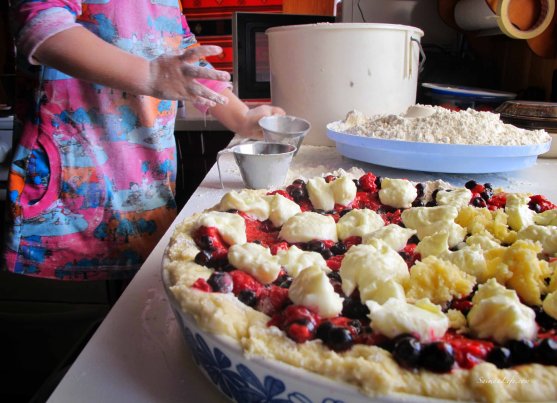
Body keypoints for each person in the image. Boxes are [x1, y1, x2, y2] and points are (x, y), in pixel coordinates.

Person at [0, 1, 284, 401]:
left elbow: (191, 67)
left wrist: (242, 118)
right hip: (72, 202)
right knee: (70, 359)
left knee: (135, 351)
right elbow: (43, 28)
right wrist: (152, 74)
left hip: (144, 197)